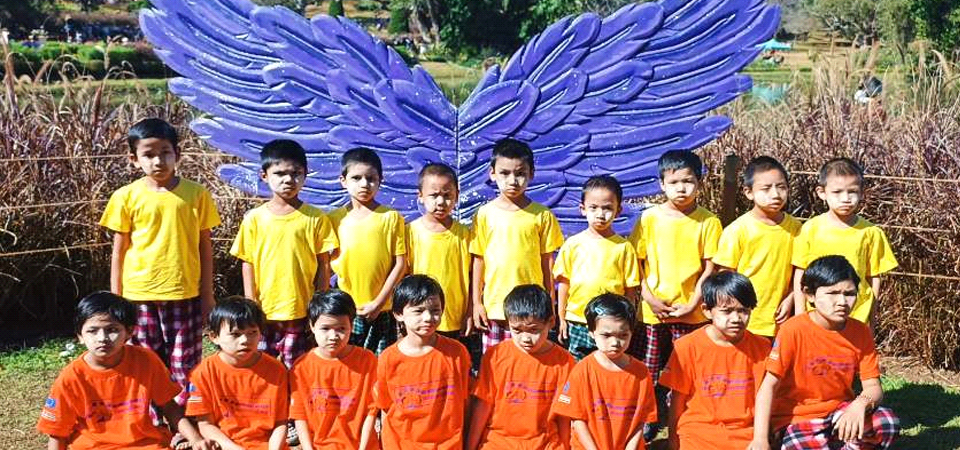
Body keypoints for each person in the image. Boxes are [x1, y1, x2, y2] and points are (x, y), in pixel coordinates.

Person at [100, 118, 220, 403]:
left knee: (185, 363)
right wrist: (116, 299)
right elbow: (119, 251)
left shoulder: (196, 195)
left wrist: (207, 295)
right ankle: (153, 418)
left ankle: (185, 420)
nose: (158, 161)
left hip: (184, 294)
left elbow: (205, 247)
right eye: (149, 154)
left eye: (165, 152)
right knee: (147, 362)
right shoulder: (125, 197)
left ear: (177, 153)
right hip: (139, 296)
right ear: (133, 159)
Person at [749, 255, 900, 450]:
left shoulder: (860, 331)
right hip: (797, 418)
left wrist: (859, 404)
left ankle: (839, 441)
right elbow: (769, 385)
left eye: (849, 293)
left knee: (886, 423)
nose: (842, 302)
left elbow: (873, 386)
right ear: (809, 295)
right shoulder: (793, 330)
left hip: (839, 411)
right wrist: (760, 438)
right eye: (832, 293)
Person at [37, 291, 209, 450]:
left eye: (112, 330)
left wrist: (195, 439)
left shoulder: (146, 361)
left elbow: (169, 407)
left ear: (129, 332)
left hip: (145, 445)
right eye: (92, 331)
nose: (102, 338)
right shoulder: (71, 377)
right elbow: (57, 432)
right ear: (80, 336)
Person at [628, 150, 722, 438]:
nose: (682, 188)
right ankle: (648, 417)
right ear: (662, 184)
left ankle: (686, 418)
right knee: (649, 368)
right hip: (654, 313)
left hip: (691, 313)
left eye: (688, 181)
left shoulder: (708, 222)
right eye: (674, 182)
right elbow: (637, 264)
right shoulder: (649, 219)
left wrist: (693, 303)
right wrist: (649, 299)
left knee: (687, 369)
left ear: (700, 183)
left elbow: (710, 268)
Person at [230, 139, 338, 367]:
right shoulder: (254, 219)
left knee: (297, 366)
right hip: (263, 311)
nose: (288, 180)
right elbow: (247, 262)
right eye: (280, 173)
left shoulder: (316, 218)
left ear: (306, 175)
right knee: (262, 364)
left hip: (300, 309)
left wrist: (318, 303)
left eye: (296, 173)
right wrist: (251, 302)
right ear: (264, 175)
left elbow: (324, 264)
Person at [470, 138, 564, 351]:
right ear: (492, 173)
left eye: (520, 173)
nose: (512, 181)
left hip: (531, 309)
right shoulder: (484, 215)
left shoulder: (542, 215)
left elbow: (547, 263)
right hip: (495, 307)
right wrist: (477, 303)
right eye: (504, 173)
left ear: (531, 174)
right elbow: (478, 260)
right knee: (495, 363)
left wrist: (550, 304)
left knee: (528, 361)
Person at [660, 272, 771, 450]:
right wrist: (673, 441)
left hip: (745, 434)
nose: (736, 319)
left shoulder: (762, 348)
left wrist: (761, 438)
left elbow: (765, 397)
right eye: (727, 311)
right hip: (698, 433)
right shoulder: (687, 347)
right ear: (706, 310)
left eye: (743, 310)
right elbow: (677, 401)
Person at [791, 158, 898, 327]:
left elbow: (874, 278)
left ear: (862, 193)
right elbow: (800, 272)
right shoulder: (810, 229)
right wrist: (799, 314)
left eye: (852, 192)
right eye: (837, 192)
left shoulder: (871, 233)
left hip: (856, 316)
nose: (846, 199)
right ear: (822, 192)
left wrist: (871, 321)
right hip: (817, 315)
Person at [467, 285, 576, 450]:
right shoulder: (495, 355)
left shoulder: (564, 361)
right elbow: (483, 405)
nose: (525, 338)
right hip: (499, 442)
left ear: (551, 323)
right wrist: (470, 447)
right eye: (517, 330)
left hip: (545, 443)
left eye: (533, 330)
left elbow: (564, 414)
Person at [375, 274, 471, 449]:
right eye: (418, 311)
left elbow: (465, 402)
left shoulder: (457, 353)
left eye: (435, 310)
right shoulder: (388, 359)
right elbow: (385, 408)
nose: (428, 317)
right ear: (398, 314)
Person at [551, 293, 658, 450]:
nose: (615, 342)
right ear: (591, 332)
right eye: (606, 335)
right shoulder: (582, 370)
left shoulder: (641, 373)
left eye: (623, 335)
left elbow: (642, 418)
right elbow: (576, 419)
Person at [554, 175, 641, 360]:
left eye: (607, 208)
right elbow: (564, 284)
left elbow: (630, 291)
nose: (600, 214)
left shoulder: (624, 247)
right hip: (577, 320)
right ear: (583, 209)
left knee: (610, 365)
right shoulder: (572, 244)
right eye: (593, 207)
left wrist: (628, 322)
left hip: (611, 324)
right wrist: (561, 318)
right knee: (578, 367)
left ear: (618, 211)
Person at [329, 147, 407, 354]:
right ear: (343, 180)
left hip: (382, 308)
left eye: (371, 178)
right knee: (348, 358)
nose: (364, 184)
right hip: (346, 308)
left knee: (380, 360)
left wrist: (379, 303)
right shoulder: (334, 219)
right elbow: (326, 264)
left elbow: (400, 264)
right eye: (356, 178)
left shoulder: (391, 218)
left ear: (380, 181)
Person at [713, 156, 800, 338]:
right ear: (749, 192)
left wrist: (791, 298)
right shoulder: (738, 230)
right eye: (766, 189)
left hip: (782, 319)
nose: (775, 194)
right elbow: (725, 277)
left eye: (781, 187)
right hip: (747, 322)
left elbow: (800, 271)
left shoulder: (796, 228)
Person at [186, 297, 289, 450]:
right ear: (214, 337)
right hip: (224, 446)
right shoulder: (202, 373)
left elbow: (281, 423)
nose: (245, 340)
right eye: (235, 334)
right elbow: (205, 424)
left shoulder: (277, 370)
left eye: (252, 332)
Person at [406, 162, 481, 371]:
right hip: (420, 319)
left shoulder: (464, 235)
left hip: (456, 319)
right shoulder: (410, 232)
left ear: (457, 196)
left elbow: (472, 275)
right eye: (434, 195)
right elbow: (404, 276)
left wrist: (470, 311)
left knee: (456, 370)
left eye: (447, 195)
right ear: (420, 196)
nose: (441, 202)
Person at [289, 290, 379, 450]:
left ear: (352, 326)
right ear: (312, 326)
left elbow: (371, 411)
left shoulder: (367, 361)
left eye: (341, 329)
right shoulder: (301, 367)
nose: (333, 336)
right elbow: (299, 415)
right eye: (325, 328)